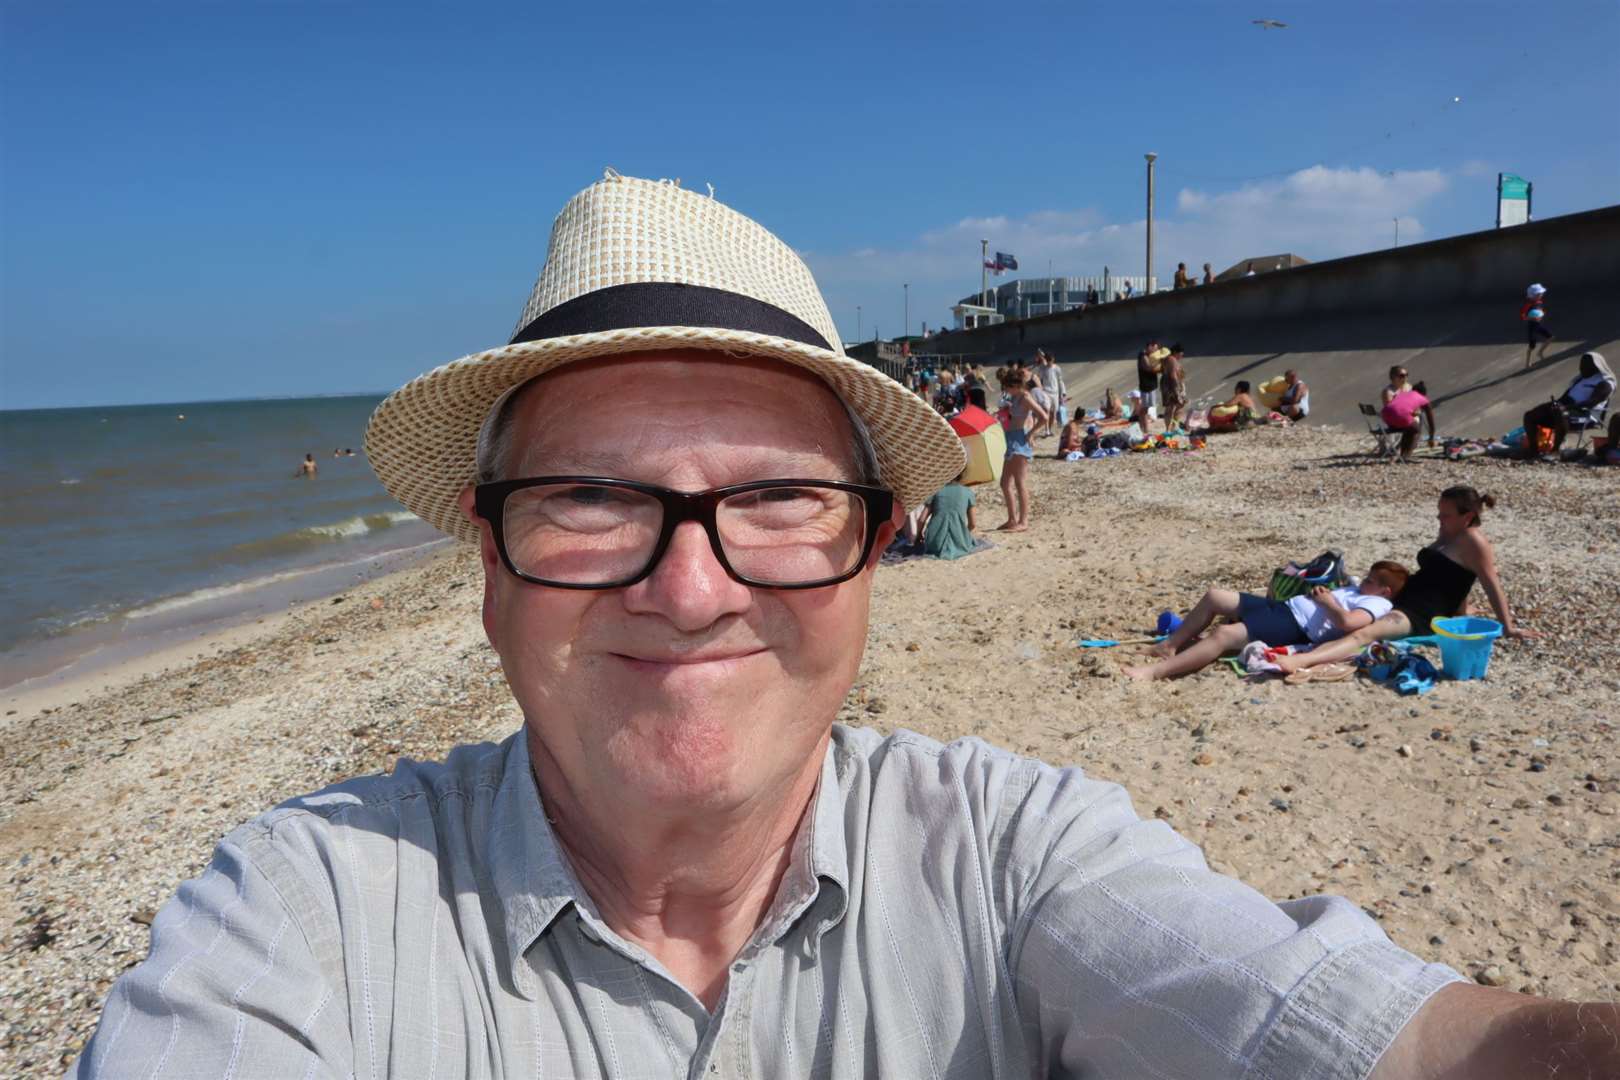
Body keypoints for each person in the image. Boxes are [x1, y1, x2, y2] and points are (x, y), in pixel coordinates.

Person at [74, 172, 1616, 1079]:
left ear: (878, 548)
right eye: (591, 501)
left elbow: (1361, 1036)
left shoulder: (1013, 857)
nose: (689, 590)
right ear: (487, 563)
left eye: (778, 503)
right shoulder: (308, 917)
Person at [1279, 487, 1538, 684]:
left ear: (1468, 516)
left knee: (1362, 635)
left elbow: (1489, 582)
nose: (1440, 519)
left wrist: (1508, 627)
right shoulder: (1450, 532)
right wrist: (1460, 613)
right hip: (1405, 599)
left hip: (1418, 612)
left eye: (1445, 515)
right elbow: (1456, 579)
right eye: (1439, 513)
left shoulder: (1473, 541)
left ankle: (1302, 660)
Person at [1123, 561, 1409, 681]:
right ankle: (1170, 646)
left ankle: (1155, 672)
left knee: (1224, 634)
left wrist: (1328, 601)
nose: (1365, 582)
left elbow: (1348, 623)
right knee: (1215, 596)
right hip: (1283, 608)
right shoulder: (1363, 590)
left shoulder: (1378, 603)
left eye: (1371, 581)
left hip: (1295, 626)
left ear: (1386, 591)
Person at [1520, 351, 1614, 459]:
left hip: (1585, 414)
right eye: (1581, 364)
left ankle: (1555, 451)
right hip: (1566, 410)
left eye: (1585, 364)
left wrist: (1566, 407)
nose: (1581, 367)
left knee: (1561, 412)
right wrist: (1555, 404)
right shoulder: (1579, 380)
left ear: (1595, 366)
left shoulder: (1605, 382)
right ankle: (1533, 450)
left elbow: (1592, 402)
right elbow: (1564, 398)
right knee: (1530, 415)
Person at [998, 371, 1046, 531]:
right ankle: (1012, 519)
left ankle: (1023, 521)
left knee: (1020, 483)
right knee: (1004, 482)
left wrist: (1031, 433)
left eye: (1007, 387)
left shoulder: (1025, 397)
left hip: (1019, 439)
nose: (1006, 390)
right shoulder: (1015, 397)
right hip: (1011, 439)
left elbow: (1044, 416)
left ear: (1015, 386)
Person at [918, 470, 978, 559]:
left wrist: (919, 535)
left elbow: (921, 520)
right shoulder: (968, 492)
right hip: (960, 542)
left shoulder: (935, 491)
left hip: (934, 543)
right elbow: (973, 524)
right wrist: (963, 533)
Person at [1382, 380, 1437, 460]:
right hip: (1399, 417)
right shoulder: (1424, 399)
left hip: (1386, 417)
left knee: (1409, 429)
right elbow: (1431, 422)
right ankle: (1406, 456)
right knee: (1416, 430)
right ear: (1424, 394)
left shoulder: (1403, 394)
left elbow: (1399, 408)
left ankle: (1402, 455)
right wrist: (1431, 438)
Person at [1034, 350, 1067, 436]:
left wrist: (1063, 393)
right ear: (1047, 360)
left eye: (1051, 360)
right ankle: (1046, 430)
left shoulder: (1057, 368)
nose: (1050, 362)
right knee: (1047, 411)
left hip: (1055, 393)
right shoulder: (1042, 368)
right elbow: (1039, 377)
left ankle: (1049, 429)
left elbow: (1060, 381)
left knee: (1053, 413)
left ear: (1053, 359)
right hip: (1046, 392)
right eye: (1048, 360)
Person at [1521, 283, 1553, 367]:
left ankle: (1540, 353)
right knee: (1532, 346)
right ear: (1533, 295)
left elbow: (1540, 310)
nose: (1541, 294)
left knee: (1550, 337)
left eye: (1541, 293)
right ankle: (1527, 363)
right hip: (1532, 327)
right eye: (1539, 294)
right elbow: (1523, 316)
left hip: (1538, 325)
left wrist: (1541, 313)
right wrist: (1531, 318)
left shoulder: (1539, 302)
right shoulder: (1528, 305)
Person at [1159, 343, 1188, 431]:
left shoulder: (1169, 359)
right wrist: (1176, 389)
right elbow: (1173, 375)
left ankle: (1172, 427)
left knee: (1178, 404)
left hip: (1167, 384)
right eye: (1180, 354)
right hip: (1171, 385)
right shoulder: (1171, 359)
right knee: (1173, 406)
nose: (1181, 357)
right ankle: (1169, 428)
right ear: (1175, 352)